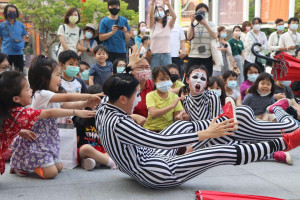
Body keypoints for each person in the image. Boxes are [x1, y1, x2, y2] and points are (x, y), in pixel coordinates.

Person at [95, 72, 300, 189]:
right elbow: (159, 142)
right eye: (135, 95)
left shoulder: (105, 104)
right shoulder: (119, 123)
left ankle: (230, 124)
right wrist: (208, 133)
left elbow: (109, 91)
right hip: (155, 171)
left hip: (147, 155)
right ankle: (285, 142)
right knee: (220, 152)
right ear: (123, 99)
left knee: (187, 125)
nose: (138, 99)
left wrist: (131, 69)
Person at [0, 70, 96, 176]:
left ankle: (21, 163)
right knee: (51, 173)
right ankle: (21, 164)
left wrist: (20, 131)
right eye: (27, 89)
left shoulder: (12, 110)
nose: (30, 90)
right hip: (37, 143)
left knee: (58, 167)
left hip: (46, 141)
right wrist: (78, 111)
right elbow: (50, 112)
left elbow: (9, 125)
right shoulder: (38, 97)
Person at [73, 84, 116, 171]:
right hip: (86, 151)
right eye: (94, 100)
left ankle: (94, 162)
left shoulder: (108, 117)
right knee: (86, 148)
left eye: (99, 100)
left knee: (114, 149)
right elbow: (75, 141)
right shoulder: (80, 117)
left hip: (104, 151)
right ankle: (110, 163)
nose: (96, 104)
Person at [143, 66, 183, 132]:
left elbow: (176, 118)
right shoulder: (150, 95)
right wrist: (171, 106)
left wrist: (180, 117)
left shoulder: (175, 97)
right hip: (151, 130)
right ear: (153, 80)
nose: (165, 81)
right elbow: (153, 113)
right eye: (162, 79)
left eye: (167, 78)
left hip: (168, 131)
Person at [186, 3, 218, 77]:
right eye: (200, 12)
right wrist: (191, 22)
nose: (202, 14)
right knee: (191, 77)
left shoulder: (211, 24)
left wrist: (205, 24)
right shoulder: (193, 24)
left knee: (206, 77)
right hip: (193, 56)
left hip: (206, 56)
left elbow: (215, 36)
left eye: (204, 12)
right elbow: (189, 37)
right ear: (196, 13)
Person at [149, 0, 176, 69]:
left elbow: (174, 17)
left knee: (167, 74)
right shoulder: (153, 25)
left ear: (165, 13)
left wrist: (169, 5)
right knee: (154, 75)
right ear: (155, 14)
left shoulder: (169, 24)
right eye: (157, 10)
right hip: (154, 55)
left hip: (166, 54)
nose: (159, 11)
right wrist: (152, 3)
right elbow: (151, 16)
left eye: (161, 10)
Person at [0, 5, 27, 72]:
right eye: (9, 11)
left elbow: (24, 36)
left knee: (20, 73)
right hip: (6, 53)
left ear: (16, 13)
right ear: (6, 12)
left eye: (14, 11)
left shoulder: (21, 25)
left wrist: (21, 45)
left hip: (18, 53)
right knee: (5, 74)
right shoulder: (1, 25)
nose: (12, 13)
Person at [166, 9, 186, 78]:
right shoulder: (162, 27)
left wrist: (183, 51)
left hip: (175, 55)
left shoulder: (178, 27)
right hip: (165, 55)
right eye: (167, 15)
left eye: (171, 15)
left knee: (177, 75)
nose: (169, 16)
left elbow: (182, 40)